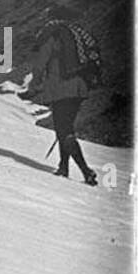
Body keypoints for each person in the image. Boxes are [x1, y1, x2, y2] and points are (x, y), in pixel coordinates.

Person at [32, 17, 98, 185]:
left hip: (61, 90)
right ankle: (63, 167)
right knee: (64, 129)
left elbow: (40, 64)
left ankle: (86, 171)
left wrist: (35, 83)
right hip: (79, 88)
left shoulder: (52, 37)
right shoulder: (75, 35)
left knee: (64, 130)